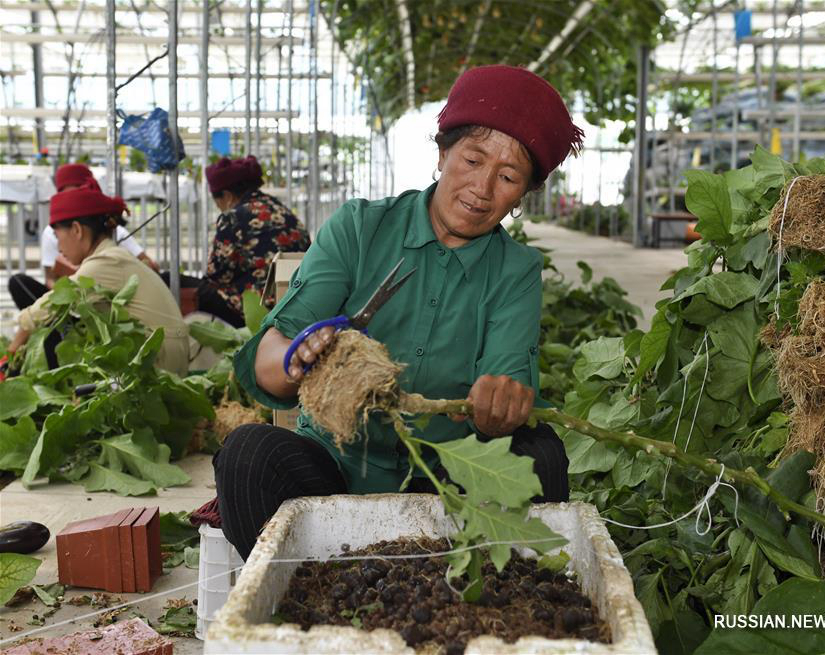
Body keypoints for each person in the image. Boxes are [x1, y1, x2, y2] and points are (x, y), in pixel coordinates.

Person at [213, 65, 584, 560]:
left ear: (523, 194)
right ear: (442, 152)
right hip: (331, 472)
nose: (482, 187)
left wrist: (501, 405)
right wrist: (291, 360)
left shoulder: (515, 270)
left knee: (540, 452)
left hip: (441, 484)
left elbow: (506, 382)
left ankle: (483, 610)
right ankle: (304, 606)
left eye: (508, 176)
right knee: (247, 455)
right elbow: (268, 360)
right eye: (472, 159)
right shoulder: (360, 228)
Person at [7, 181, 189, 376]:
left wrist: (10, 353)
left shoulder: (105, 261)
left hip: (160, 356)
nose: (59, 248)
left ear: (77, 230)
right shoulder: (110, 255)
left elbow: (50, 304)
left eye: (58, 237)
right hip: (165, 349)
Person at [164, 156, 310, 327]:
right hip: (294, 301)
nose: (219, 206)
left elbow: (217, 275)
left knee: (170, 280)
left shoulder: (233, 217)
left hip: (255, 308)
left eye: (217, 201)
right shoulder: (281, 209)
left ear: (227, 196)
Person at [7, 163, 159, 311]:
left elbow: (150, 266)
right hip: (73, 301)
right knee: (19, 283)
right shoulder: (52, 232)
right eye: (69, 196)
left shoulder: (114, 234)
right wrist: (70, 293)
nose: (60, 246)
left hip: (107, 304)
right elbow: (50, 279)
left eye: (79, 194)